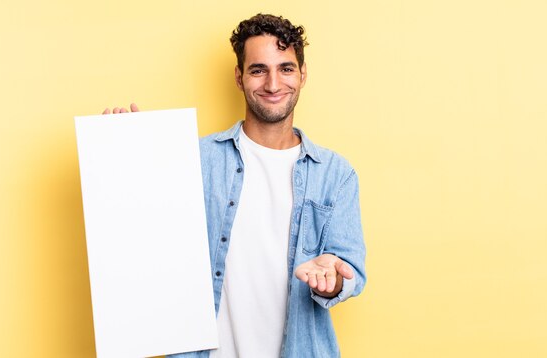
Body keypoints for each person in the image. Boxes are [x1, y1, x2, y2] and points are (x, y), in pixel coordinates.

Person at [104, 13, 366, 358]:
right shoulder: (194, 159)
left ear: (302, 75)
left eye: (285, 68)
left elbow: (350, 271)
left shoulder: (335, 173)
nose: (273, 84)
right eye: (258, 70)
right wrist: (128, 163)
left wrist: (332, 282)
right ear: (240, 78)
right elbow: (146, 238)